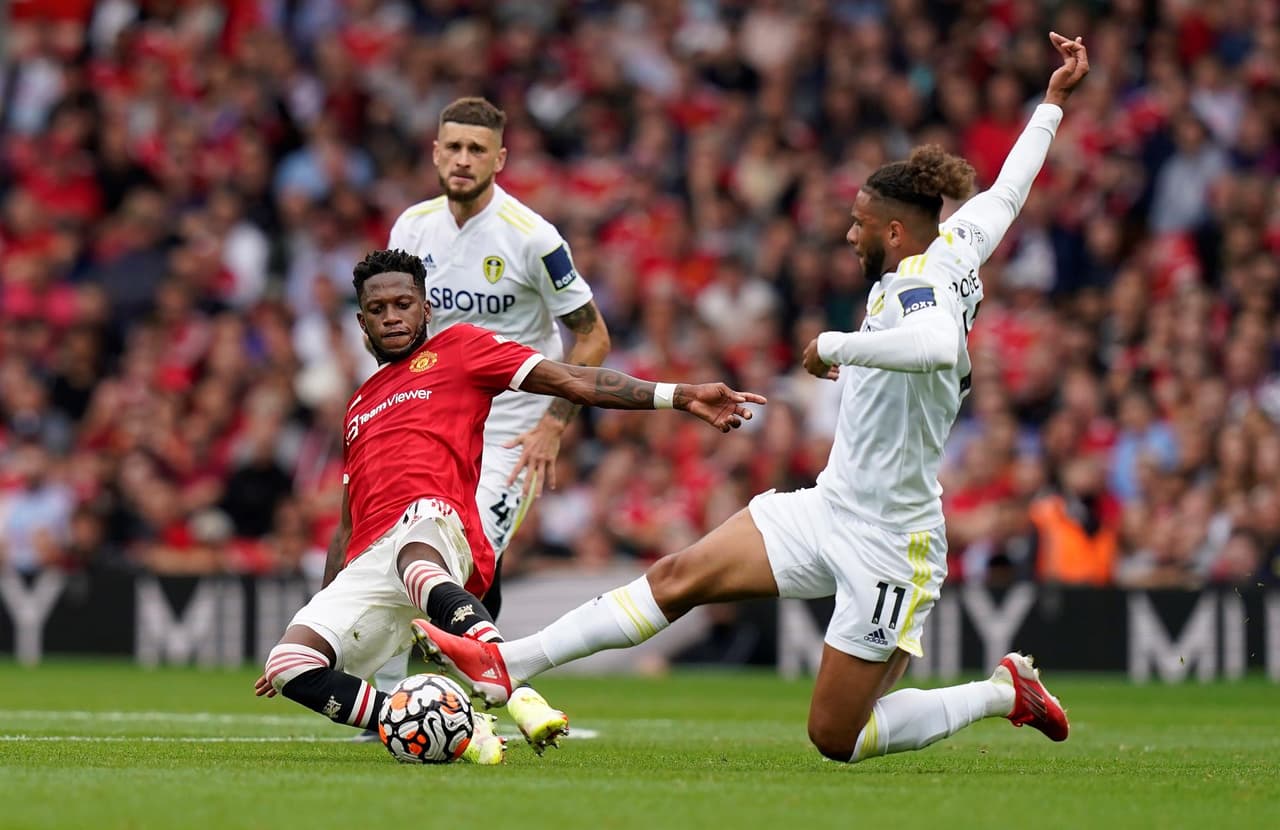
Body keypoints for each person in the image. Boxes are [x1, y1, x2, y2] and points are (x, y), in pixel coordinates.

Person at [412, 33, 1089, 764]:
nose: (847, 232)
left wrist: (835, 346)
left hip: (895, 540)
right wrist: (1051, 102)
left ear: (895, 232)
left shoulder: (920, 287)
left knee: (838, 736)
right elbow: (1010, 189)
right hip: (831, 505)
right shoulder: (957, 243)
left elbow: (936, 348)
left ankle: (1000, 693)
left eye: (859, 224)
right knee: (681, 576)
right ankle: (511, 662)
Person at [254, 249, 763, 765]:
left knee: (416, 561)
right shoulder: (358, 405)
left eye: (403, 303)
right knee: (289, 663)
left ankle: (517, 691)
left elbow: (571, 380)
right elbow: (346, 527)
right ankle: (434, 723)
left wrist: (677, 395)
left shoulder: (462, 348)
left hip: (435, 525)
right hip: (369, 559)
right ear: (362, 321)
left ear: (426, 309)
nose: (392, 316)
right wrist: (317, 609)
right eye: (378, 308)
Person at [361, 97, 612, 740]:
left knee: (472, 558)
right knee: (404, 548)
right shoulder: (411, 228)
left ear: (500, 159)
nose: (464, 160)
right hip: (433, 418)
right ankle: (396, 699)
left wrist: (554, 424)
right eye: (454, 147)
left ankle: (480, 700)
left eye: (478, 149)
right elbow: (400, 327)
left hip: (510, 430)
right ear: (435, 153)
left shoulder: (533, 238)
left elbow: (591, 338)